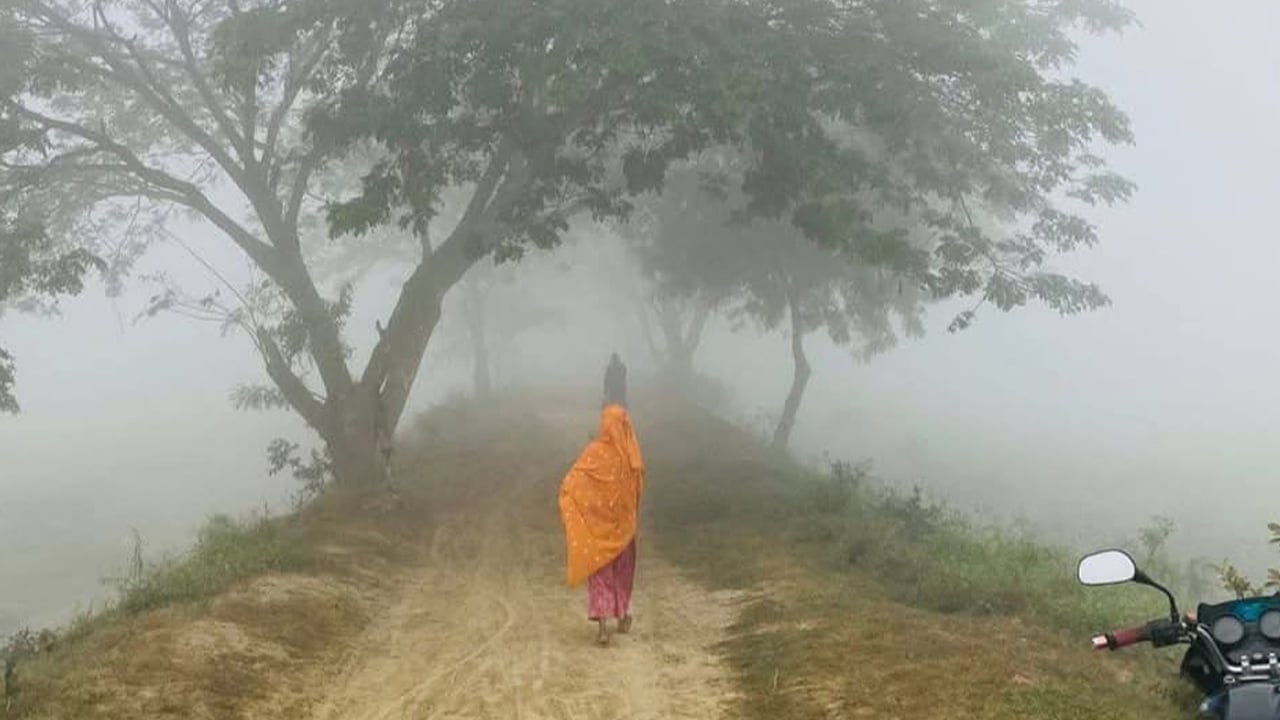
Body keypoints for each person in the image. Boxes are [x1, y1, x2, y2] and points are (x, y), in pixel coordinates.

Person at [558, 403, 645, 646]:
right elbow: (638, 488)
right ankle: (623, 613)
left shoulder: (594, 452)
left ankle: (604, 626)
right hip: (624, 531)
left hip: (597, 532)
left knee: (601, 576)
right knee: (622, 573)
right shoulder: (631, 457)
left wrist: (572, 498)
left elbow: (574, 481)